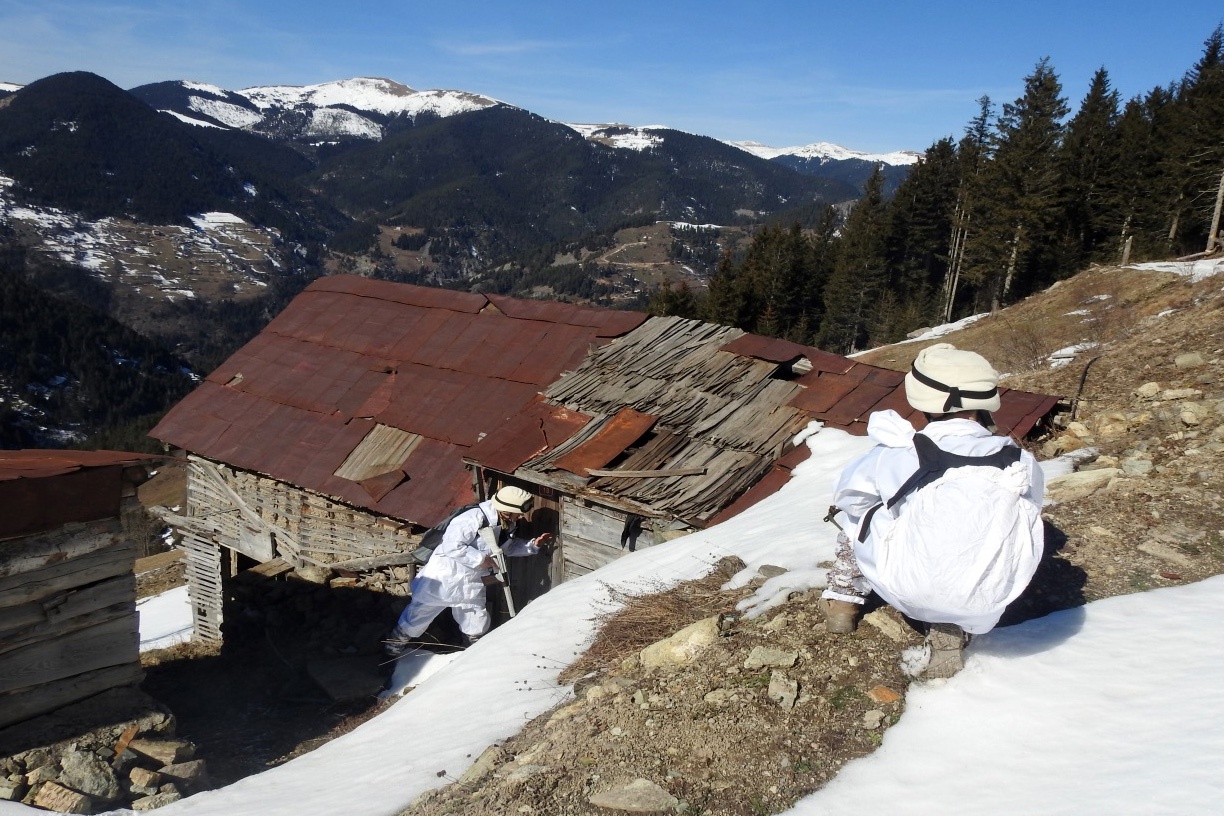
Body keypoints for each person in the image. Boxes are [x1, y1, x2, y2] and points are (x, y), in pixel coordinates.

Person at [820, 343, 1045, 678]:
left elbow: (850, 499)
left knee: (859, 516)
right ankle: (951, 628)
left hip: (913, 587)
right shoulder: (1019, 459)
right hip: (992, 595)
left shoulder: (900, 453)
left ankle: (843, 600)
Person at [384, 486, 553, 656]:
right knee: (417, 617)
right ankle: (392, 650)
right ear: (506, 510)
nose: (522, 516)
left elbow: (505, 549)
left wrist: (532, 545)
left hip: (470, 582)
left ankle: (470, 660)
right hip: (444, 578)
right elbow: (452, 545)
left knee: (476, 622)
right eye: (518, 512)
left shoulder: (505, 525)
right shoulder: (472, 518)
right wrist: (481, 559)